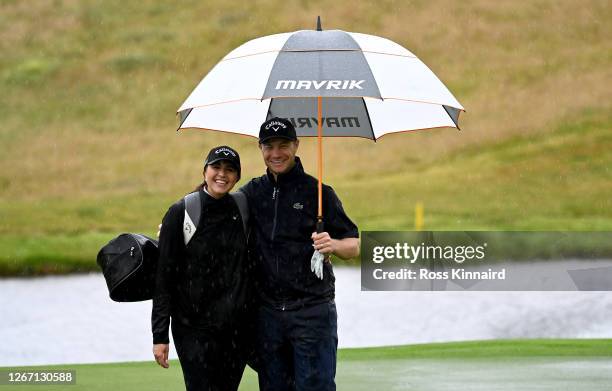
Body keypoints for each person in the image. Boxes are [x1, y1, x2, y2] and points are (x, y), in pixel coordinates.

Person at [240, 117, 360, 391]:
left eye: (284, 145)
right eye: (269, 147)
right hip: (268, 314)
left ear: (296, 145)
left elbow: (353, 246)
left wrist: (333, 245)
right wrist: (177, 218)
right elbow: (215, 200)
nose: (276, 153)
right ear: (260, 148)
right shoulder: (252, 192)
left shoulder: (319, 193)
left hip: (312, 312)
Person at [151, 145, 255, 391]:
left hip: (235, 329)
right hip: (192, 327)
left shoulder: (243, 208)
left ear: (237, 177)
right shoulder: (181, 212)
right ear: (204, 171)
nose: (222, 174)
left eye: (229, 170)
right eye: (216, 167)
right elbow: (164, 277)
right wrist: (159, 335)